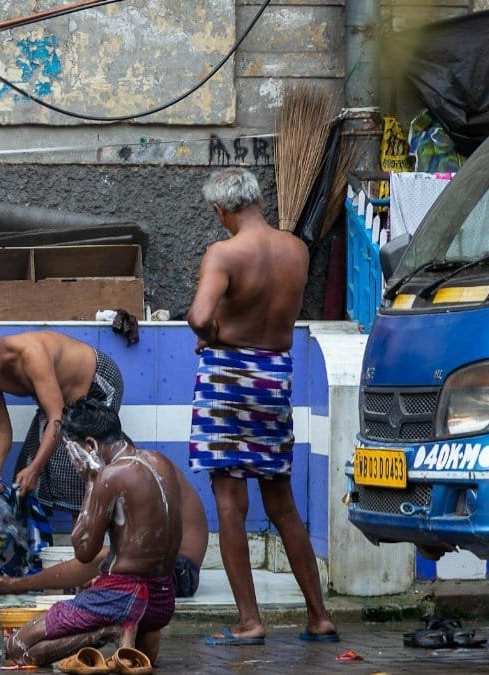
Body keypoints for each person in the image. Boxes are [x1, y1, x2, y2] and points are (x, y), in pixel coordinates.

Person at [186, 167, 338, 645]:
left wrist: (211, 336)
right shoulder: (296, 250)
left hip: (228, 377)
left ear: (220, 210)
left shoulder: (224, 253)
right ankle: (319, 617)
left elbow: (198, 317)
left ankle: (250, 622)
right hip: (275, 376)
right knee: (283, 503)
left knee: (230, 505)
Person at [4, 399, 181, 666]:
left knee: (16, 647)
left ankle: (109, 630)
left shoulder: (110, 476)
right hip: (163, 597)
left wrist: (90, 481)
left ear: (89, 446)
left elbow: (84, 552)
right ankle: (124, 628)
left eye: (70, 449)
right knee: (141, 658)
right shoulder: (160, 461)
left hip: (123, 596)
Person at [0, 325, 124, 513]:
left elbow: (56, 418)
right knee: (24, 474)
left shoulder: (32, 354)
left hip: (95, 385)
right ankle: (39, 539)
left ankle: (88, 540)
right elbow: (0, 430)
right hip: (59, 403)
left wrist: (35, 469)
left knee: (75, 465)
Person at [0, 459, 207, 599]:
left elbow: (94, 549)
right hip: (160, 567)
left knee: (106, 555)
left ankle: (16, 585)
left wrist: (90, 485)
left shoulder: (144, 473)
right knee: (108, 557)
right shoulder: (136, 467)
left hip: (180, 573)